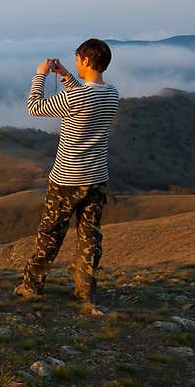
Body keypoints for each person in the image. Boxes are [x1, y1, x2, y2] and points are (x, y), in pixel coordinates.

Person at [14, 38, 119, 314]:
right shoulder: (112, 93)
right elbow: (85, 98)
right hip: (96, 176)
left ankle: (31, 286)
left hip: (66, 179)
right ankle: (85, 291)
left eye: (76, 60)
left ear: (85, 60)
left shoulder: (77, 97)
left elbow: (34, 107)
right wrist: (68, 77)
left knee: (49, 235)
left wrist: (41, 75)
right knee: (89, 236)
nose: (75, 64)